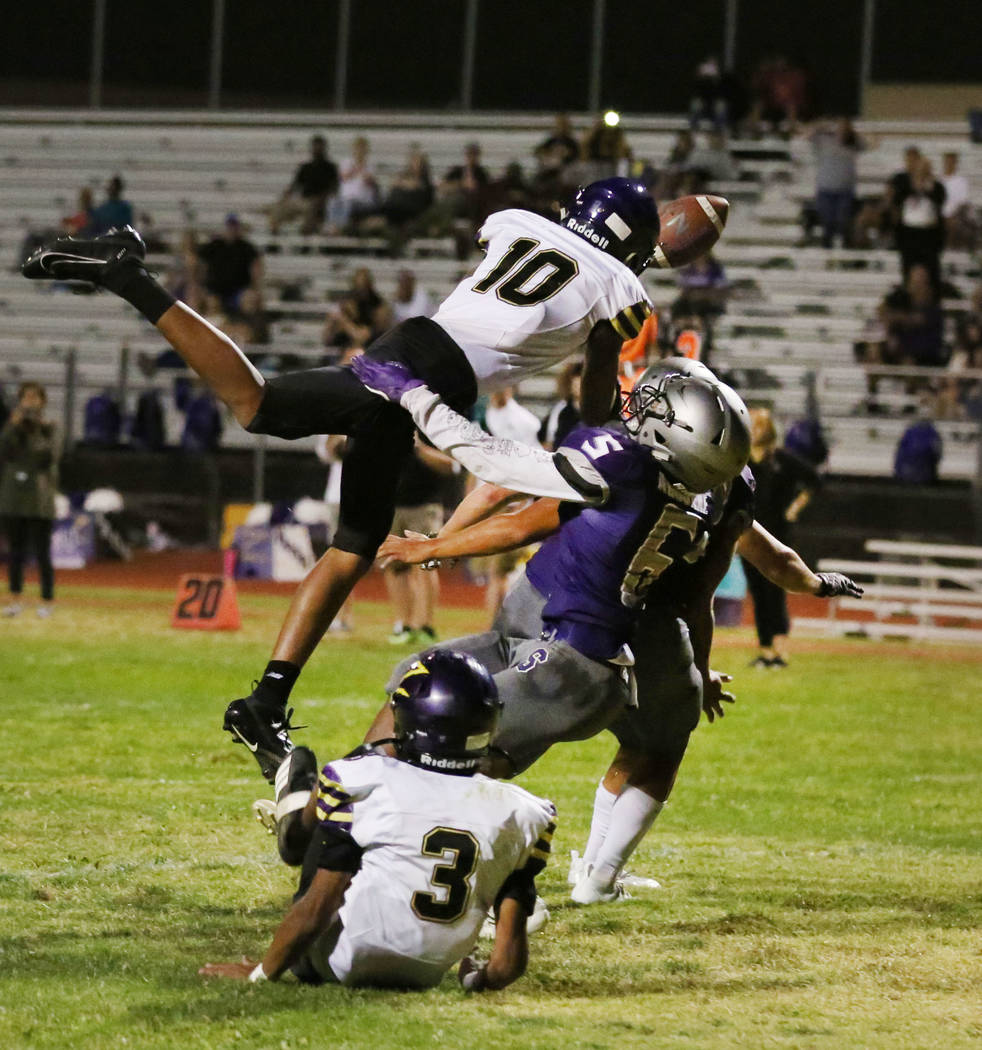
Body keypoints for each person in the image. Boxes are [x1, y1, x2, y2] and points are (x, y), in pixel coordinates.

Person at [22, 176, 660, 781]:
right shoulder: (619, 287)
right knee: (258, 406)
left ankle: (266, 703)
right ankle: (128, 274)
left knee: (355, 542)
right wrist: (607, 370)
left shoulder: (520, 224)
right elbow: (596, 394)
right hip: (424, 374)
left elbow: (510, 282)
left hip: (423, 348)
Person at [376, 359, 861, 903]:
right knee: (654, 740)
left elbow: (506, 499)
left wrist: (437, 543)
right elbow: (723, 583)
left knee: (437, 711)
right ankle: (596, 876)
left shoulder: (620, 463)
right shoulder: (726, 487)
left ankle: (357, 806)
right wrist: (713, 662)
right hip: (638, 626)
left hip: (554, 606)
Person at [356, 358, 751, 780]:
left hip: (576, 658)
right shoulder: (707, 492)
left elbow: (511, 504)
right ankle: (339, 791)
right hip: (563, 643)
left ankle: (372, 814)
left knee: (447, 734)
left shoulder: (624, 469)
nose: (639, 405)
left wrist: (417, 397)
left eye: (657, 407)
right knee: (415, 679)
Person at [200, 649, 556, 990]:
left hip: (339, 962)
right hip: (428, 971)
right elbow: (507, 964)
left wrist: (260, 974)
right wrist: (474, 979)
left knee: (320, 803)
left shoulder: (367, 780)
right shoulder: (523, 812)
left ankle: (294, 802)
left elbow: (318, 907)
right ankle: (298, 811)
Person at [741, 407, 821, 668]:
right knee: (758, 593)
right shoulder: (740, 461)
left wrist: (795, 508)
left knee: (775, 591)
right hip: (749, 536)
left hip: (778, 536)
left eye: (760, 424)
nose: (755, 428)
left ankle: (780, 650)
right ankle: (765, 651)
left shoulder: (783, 459)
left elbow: (814, 480)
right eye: (751, 423)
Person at [385, 437, 457, 645]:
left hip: (424, 505)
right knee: (393, 565)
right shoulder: (388, 424)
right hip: (390, 504)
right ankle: (403, 625)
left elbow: (452, 466)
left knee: (426, 564)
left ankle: (425, 625)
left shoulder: (430, 425)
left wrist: (418, 447)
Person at [0, 382, 59, 618]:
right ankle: (15, 599)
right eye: (26, 397)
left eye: (35, 397)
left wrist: (36, 430)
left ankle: (47, 600)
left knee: (43, 553)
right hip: (14, 497)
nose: (30, 402)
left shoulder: (51, 427)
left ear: (43, 401)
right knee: (15, 552)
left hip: (40, 498)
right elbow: (4, 451)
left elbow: (47, 457)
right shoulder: (12, 427)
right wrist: (13, 426)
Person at [808, 119, 866, 248]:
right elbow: (808, 136)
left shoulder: (853, 144)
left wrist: (852, 133)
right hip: (825, 190)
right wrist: (820, 126)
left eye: (845, 128)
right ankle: (826, 249)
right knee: (827, 221)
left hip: (845, 191)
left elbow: (870, 144)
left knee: (843, 222)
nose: (841, 130)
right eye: (840, 127)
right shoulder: (825, 141)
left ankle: (846, 252)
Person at [268, 134, 339, 236]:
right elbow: (294, 185)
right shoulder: (305, 167)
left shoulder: (330, 168)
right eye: (315, 146)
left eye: (319, 146)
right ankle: (274, 236)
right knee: (279, 207)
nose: (317, 149)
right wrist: (285, 196)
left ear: (324, 148)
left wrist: (321, 199)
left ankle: (305, 237)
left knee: (310, 207)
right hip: (303, 200)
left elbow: (334, 188)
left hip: (319, 202)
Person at [196, 214, 263, 316]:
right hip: (215, 290)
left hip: (239, 290)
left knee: (249, 299)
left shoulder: (246, 247)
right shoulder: (214, 245)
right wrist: (201, 285)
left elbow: (256, 267)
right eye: (230, 226)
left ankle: (247, 326)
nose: (232, 229)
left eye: (234, 226)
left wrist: (255, 287)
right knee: (207, 300)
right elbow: (199, 263)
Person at [321, 267, 392, 356]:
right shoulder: (346, 304)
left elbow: (362, 338)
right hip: (343, 352)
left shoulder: (378, 307)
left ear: (369, 286)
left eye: (364, 287)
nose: (361, 293)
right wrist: (331, 323)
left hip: (368, 353)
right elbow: (326, 339)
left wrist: (344, 322)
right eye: (358, 288)